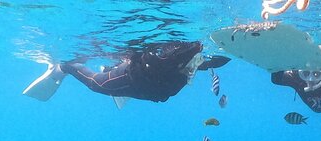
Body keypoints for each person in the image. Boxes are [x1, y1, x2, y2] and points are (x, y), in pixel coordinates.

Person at [23, 41, 229, 106]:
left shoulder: (192, 62)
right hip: (132, 78)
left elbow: (216, 61)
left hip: (146, 87)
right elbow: (157, 59)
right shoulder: (173, 58)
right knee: (97, 84)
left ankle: (109, 68)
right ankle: (64, 67)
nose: (196, 68)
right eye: (195, 62)